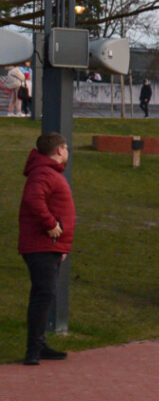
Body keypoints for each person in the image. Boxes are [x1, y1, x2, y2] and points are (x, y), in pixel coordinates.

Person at [18, 132, 74, 365]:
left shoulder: (47, 172)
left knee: (43, 294)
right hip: (41, 245)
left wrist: (60, 246)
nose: (68, 152)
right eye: (67, 148)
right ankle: (34, 349)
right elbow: (33, 199)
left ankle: (38, 344)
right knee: (44, 294)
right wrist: (51, 225)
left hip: (49, 246)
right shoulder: (43, 172)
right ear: (59, 150)